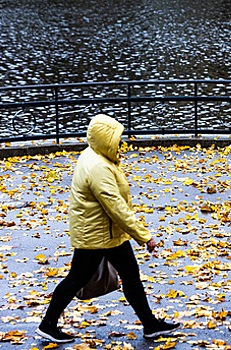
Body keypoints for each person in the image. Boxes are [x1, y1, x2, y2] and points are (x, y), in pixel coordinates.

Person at [36, 114, 180, 343]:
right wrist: (144, 237)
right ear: (105, 140)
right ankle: (47, 324)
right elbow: (116, 208)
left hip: (107, 233)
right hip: (98, 236)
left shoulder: (95, 156)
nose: (120, 144)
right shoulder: (98, 168)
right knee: (76, 279)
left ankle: (150, 324)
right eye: (116, 139)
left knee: (131, 276)